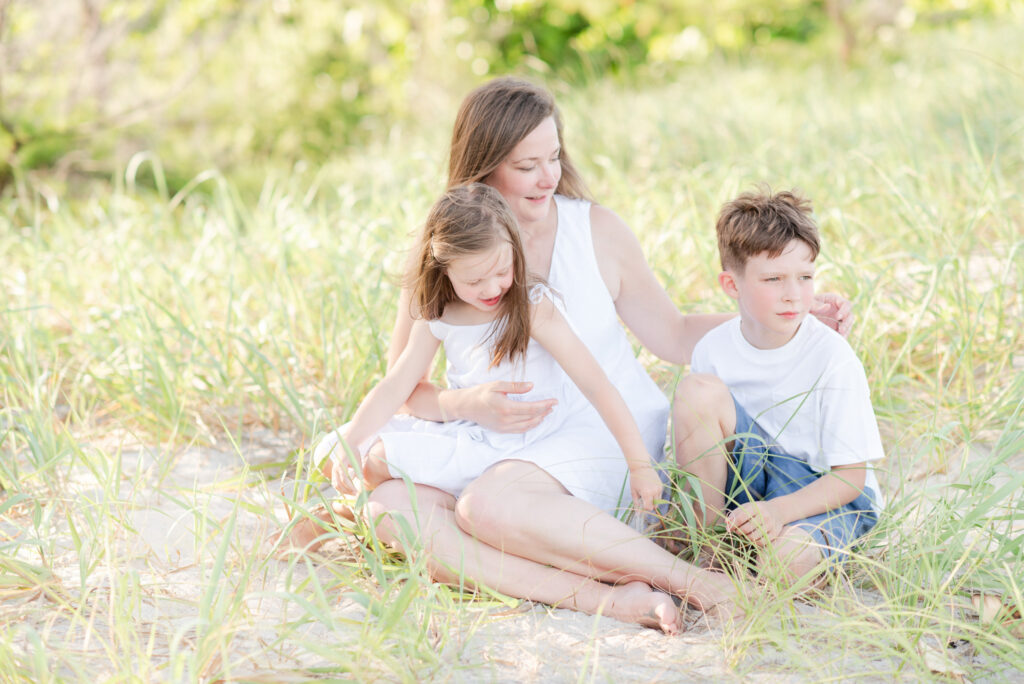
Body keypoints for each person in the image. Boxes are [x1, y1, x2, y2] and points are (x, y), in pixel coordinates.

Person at [297, 77, 851, 631]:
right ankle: (609, 598)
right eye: (526, 165)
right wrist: (470, 402)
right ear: (483, 167)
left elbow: (675, 334)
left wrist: (779, 319)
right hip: (492, 437)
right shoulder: (448, 251)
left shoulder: (596, 230)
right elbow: (405, 389)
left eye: (554, 157)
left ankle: (690, 580)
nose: (547, 177)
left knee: (487, 507)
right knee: (391, 509)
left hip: (600, 429)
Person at [314, 182, 663, 517]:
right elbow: (396, 386)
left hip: (519, 443)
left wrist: (638, 464)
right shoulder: (440, 315)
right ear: (444, 270)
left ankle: (364, 511)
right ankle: (396, 507)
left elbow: (596, 385)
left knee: (377, 460)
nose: (491, 287)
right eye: (473, 281)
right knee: (335, 448)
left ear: (514, 250)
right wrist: (354, 440)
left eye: (501, 270)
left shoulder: (532, 307)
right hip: (469, 432)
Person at [672, 189, 883, 586]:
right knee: (696, 392)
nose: (794, 295)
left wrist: (778, 512)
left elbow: (850, 477)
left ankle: (784, 551)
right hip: (749, 478)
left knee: (784, 564)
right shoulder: (713, 349)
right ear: (731, 285)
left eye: (805, 278)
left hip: (822, 491)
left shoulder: (831, 358)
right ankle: (709, 547)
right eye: (774, 279)